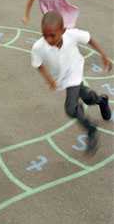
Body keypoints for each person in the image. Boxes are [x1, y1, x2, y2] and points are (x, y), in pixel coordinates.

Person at [31, 11, 112, 153]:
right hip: (61, 77)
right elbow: (38, 65)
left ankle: (91, 129)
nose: (49, 39)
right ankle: (101, 100)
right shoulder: (38, 47)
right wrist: (49, 79)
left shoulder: (72, 35)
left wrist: (103, 55)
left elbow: (89, 39)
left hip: (75, 70)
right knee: (87, 98)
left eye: (52, 35)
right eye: (45, 35)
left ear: (62, 31)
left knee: (70, 108)